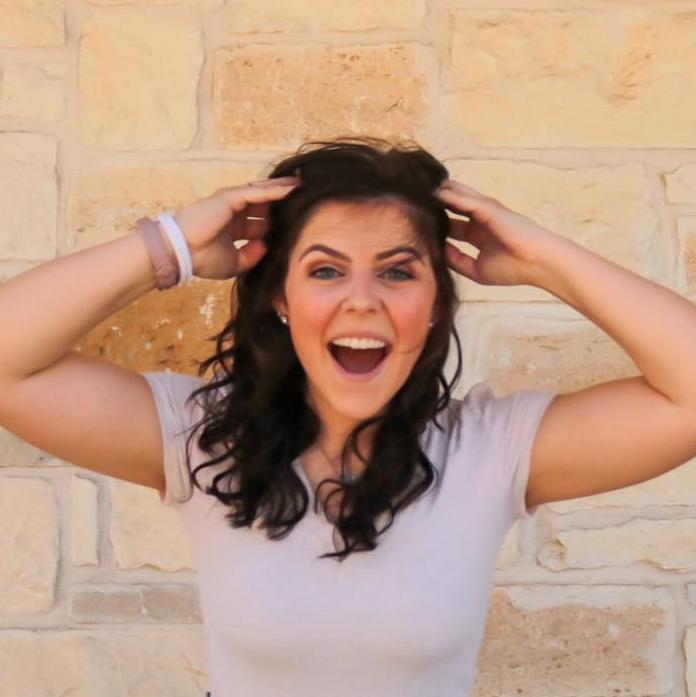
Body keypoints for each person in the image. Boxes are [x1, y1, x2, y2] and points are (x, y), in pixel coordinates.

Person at [2, 136, 696, 697]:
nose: (362, 300)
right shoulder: (202, 439)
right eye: (326, 270)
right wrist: (172, 245)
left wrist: (544, 259)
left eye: (397, 271)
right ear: (280, 298)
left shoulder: (491, 450)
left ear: (435, 303)